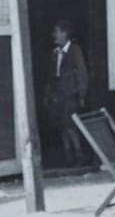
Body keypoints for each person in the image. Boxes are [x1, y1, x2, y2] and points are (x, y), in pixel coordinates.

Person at [43, 19, 89, 166]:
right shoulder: (55, 53)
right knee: (62, 125)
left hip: (71, 94)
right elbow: (51, 76)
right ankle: (68, 156)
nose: (54, 35)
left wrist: (82, 95)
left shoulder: (75, 50)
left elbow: (82, 73)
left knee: (70, 126)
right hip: (58, 95)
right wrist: (48, 95)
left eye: (56, 31)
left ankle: (79, 155)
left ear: (65, 33)